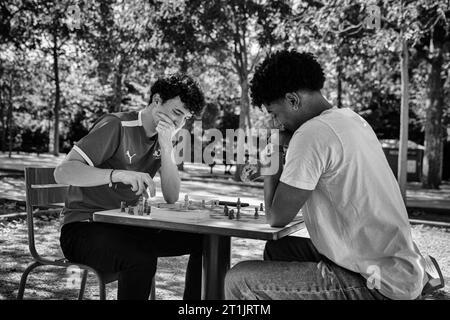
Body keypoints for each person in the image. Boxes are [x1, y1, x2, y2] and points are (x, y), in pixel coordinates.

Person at [224, 50, 430, 300]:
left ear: (293, 100)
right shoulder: (351, 119)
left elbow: (276, 217)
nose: (276, 125)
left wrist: (271, 162)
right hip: (398, 268)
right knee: (281, 248)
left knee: (238, 279)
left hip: (378, 285)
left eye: (274, 114)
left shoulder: (311, 134)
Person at [54, 73, 205, 300]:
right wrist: (117, 174)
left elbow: (172, 196)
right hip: (84, 228)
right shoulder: (116, 125)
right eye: (176, 112)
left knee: (204, 241)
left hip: (127, 227)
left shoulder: (162, 138)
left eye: (184, 118)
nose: (178, 122)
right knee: (140, 258)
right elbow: (63, 172)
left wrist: (166, 146)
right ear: (156, 100)